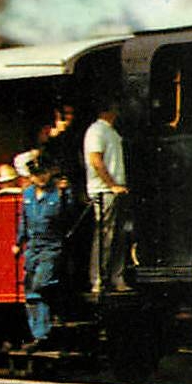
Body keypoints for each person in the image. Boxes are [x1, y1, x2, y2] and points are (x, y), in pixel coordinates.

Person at [13, 160, 74, 346]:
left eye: (43, 172)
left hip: (51, 246)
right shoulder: (28, 194)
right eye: (36, 173)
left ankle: (55, 315)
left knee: (41, 283)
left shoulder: (59, 193)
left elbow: (68, 216)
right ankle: (40, 334)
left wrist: (65, 194)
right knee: (31, 290)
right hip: (32, 246)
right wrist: (18, 242)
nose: (40, 177)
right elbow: (24, 220)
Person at [83, 101, 131, 295]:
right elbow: (95, 160)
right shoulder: (96, 131)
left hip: (114, 190)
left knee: (118, 236)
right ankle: (98, 279)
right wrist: (111, 185)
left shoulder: (111, 132)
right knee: (105, 236)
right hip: (104, 191)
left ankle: (116, 277)